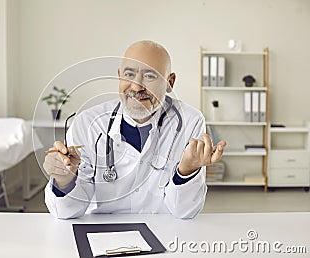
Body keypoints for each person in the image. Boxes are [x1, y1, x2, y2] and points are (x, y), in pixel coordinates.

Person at [43, 40, 227, 219]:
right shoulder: (88, 123)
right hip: (102, 234)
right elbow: (68, 212)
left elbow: (185, 211)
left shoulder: (190, 121)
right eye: (129, 74)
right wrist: (64, 180)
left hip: (167, 233)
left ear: (170, 82)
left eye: (150, 76)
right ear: (119, 75)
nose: (137, 87)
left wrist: (186, 171)